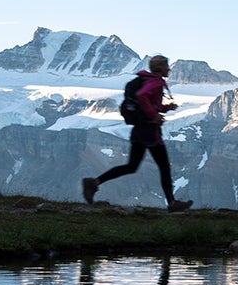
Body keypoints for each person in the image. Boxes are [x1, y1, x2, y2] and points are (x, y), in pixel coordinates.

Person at [82, 55, 193, 210]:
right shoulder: (155, 82)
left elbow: (149, 102)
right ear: (160, 68)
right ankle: (172, 203)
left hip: (139, 130)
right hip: (150, 133)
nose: (169, 69)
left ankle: (93, 183)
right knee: (164, 167)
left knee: (131, 166)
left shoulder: (147, 81)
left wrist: (165, 108)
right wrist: (154, 115)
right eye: (167, 66)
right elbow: (142, 97)